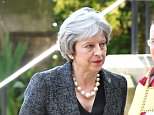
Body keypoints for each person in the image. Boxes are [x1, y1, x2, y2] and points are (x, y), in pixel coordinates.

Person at [19, 7, 127, 115]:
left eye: (102, 44)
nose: (99, 52)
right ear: (71, 51)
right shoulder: (44, 83)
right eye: (89, 46)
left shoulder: (117, 84)